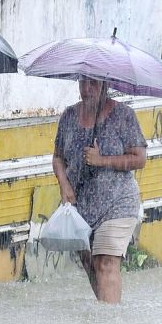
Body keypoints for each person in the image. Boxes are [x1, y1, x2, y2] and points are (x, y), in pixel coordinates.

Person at [52, 78, 147, 304]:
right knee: (92, 266)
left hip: (117, 203)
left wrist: (101, 160)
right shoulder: (69, 117)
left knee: (106, 262)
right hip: (80, 206)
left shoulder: (123, 115)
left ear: (106, 85)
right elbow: (57, 157)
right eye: (83, 82)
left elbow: (139, 158)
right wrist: (64, 185)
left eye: (93, 83)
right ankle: (106, 314)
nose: (87, 89)